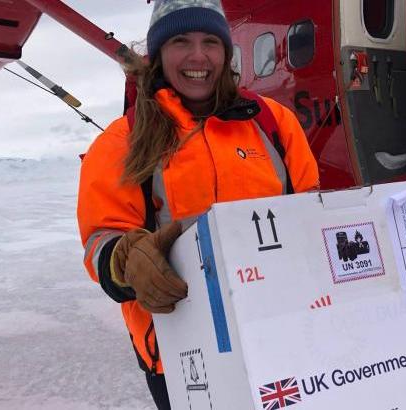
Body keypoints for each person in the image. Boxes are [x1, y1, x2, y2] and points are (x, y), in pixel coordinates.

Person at [77, 1, 319, 408]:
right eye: (180, 41)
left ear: (225, 52)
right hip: (182, 354)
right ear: (157, 54)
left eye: (211, 41)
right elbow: (101, 239)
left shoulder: (272, 122)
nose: (198, 56)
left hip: (284, 332)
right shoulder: (121, 141)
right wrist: (127, 260)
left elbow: (310, 210)